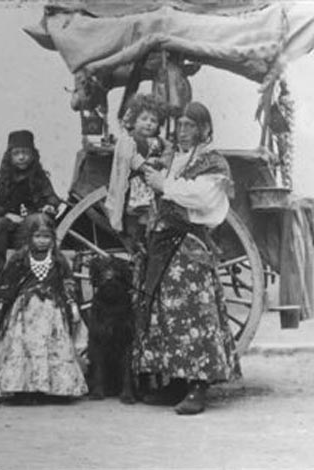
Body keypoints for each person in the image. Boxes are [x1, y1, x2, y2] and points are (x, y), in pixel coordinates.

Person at [135, 101, 241, 415]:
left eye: (190, 125)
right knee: (168, 313)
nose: (183, 130)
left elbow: (202, 197)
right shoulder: (174, 159)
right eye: (179, 124)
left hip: (189, 248)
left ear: (205, 129)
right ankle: (177, 382)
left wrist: (164, 185)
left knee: (195, 313)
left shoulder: (212, 162)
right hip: (164, 247)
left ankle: (199, 386)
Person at [0, 213, 87, 400]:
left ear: (52, 238)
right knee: (23, 347)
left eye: (47, 237)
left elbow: (68, 283)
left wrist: (72, 305)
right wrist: (0, 306)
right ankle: (22, 386)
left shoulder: (59, 260)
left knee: (52, 347)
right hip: (24, 315)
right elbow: (7, 283)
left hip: (52, 314)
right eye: (38, 236)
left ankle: (56, 388)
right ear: (29, 237)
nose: (42, 241)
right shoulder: (19, 258)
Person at [104, 93, 173, 248]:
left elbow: (169, 153)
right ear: (134, 121)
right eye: (144, 119)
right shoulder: (129, 139)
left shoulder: (161, 142)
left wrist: (161, 162)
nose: (148, 124)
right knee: (134, 218)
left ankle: (150, 240)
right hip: (136, 184)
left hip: (154, 184)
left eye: (153, 121)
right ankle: (136, 243)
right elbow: (130, 156)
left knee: (153, 217)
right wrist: (143, 165)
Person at [0, 130, 61, 271]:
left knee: (36, 220)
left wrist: (50, 206)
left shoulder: (39, 178)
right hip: (12, 226)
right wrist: (8, 215)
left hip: (33, 224)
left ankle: (33, 266)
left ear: (33, 155)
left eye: (25, 153)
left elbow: (52, 197)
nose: (21, 157)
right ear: (9, 156)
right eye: (16, 153)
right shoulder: (5, 179)